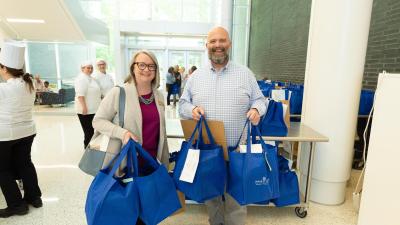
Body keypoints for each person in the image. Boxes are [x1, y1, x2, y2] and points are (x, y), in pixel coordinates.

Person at [179, 27, 266, 225]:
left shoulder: (245, 74)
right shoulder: (196, 77)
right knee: (212, 200)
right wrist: (191, 110)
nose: (217, 45)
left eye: (222, 41)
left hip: (238, 152)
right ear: (207, 46)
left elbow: (261, 100)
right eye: (213, 41)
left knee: (236, 203)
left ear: (229, 44)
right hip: (209, 153)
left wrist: (256, 110)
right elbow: (182, 104)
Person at [93, 50, 169, 225]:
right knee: (128, 214)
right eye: (141, 65)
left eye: (151, 66)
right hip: (125, 165)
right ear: (133, 68)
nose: (146, 69)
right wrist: (123, 133)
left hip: (150, 164)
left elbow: (161, 133)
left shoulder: (158, 96)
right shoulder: (119, 93)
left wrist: (164, 164)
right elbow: (98, 121)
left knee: (148, 214)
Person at [0, 43, 42, 218]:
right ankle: (34, 198)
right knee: (25, 164)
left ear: (3, 68)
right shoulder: (29, 82)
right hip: (27, 131)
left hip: (6, 133)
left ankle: (17, 205)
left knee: (2, 169)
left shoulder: (4, 88)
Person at [74, 61, 101, 148]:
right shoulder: (81, 79)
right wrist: (84, 108)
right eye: (88, 68)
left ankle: (92, 148)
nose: (90, 69)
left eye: (91, 68)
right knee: (88, 132)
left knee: (92, 131)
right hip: (86, 111)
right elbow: (80, 95)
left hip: (93, 109)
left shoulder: (90, 78)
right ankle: (87, 150)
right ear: (82, 69)